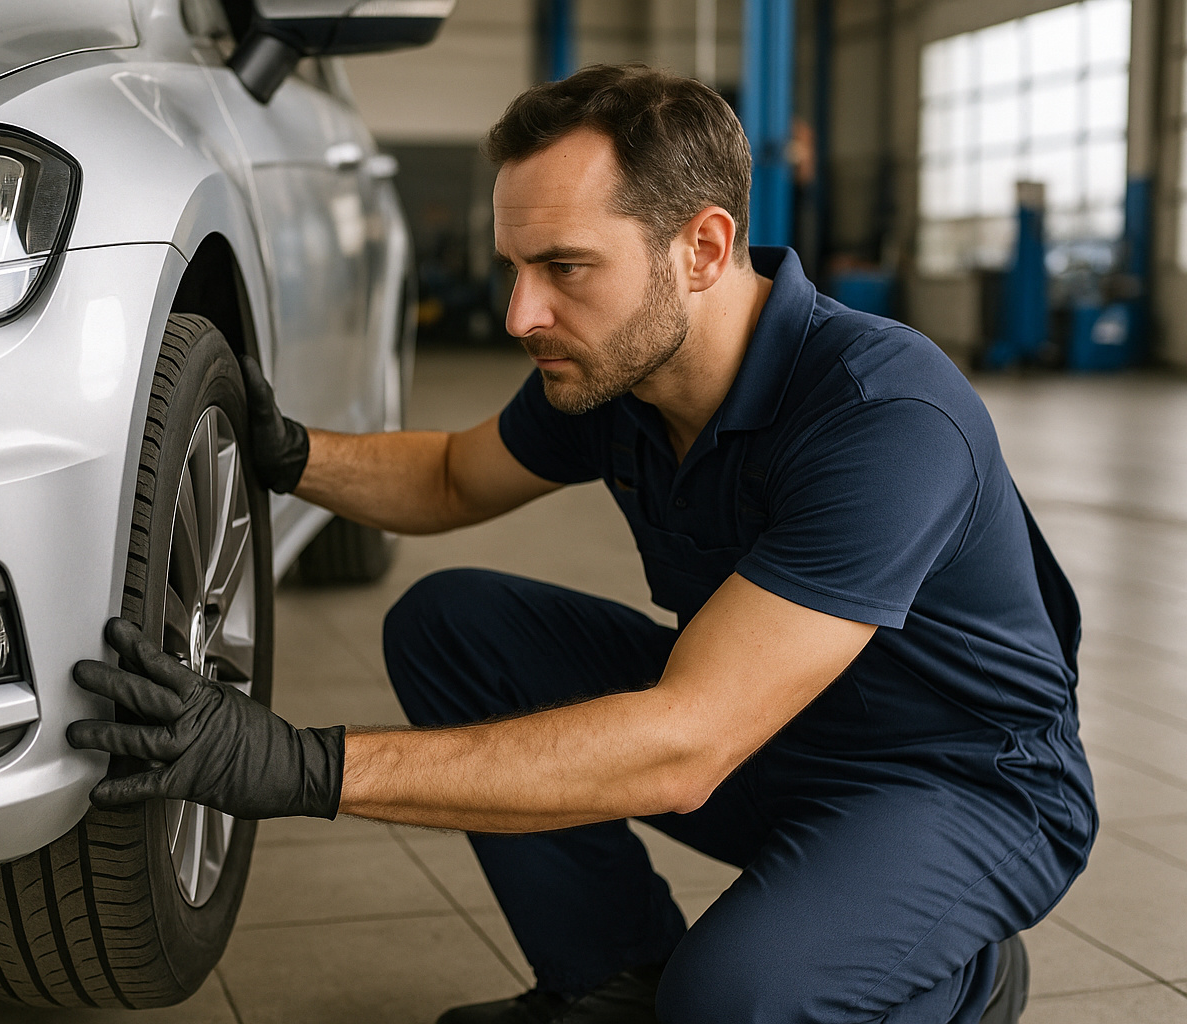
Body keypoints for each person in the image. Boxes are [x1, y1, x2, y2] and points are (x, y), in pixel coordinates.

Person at [67, 65, 1095, 1024]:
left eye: (563, 266)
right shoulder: (620, 370)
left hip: (962, 784)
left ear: (701, 247)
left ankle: (967, 976)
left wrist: (300, 766)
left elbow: (687, 743)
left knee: (729, 998)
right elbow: (449, 478)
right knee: (454, 623)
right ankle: (606, 977)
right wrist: (286, 452)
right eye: (516, 266)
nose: (523, 312)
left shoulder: (882, 415)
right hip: (778, 735)